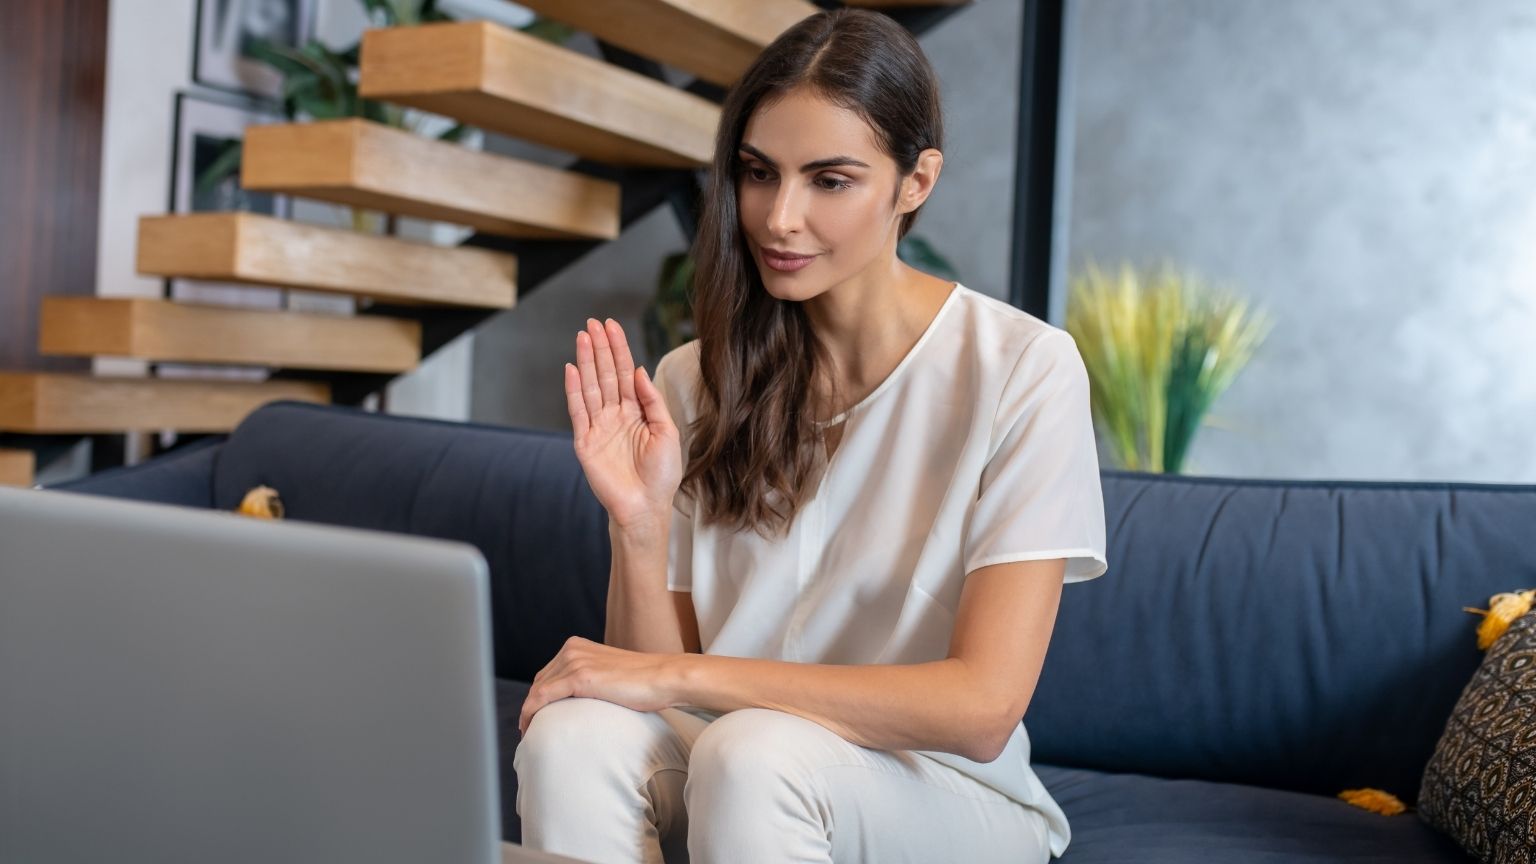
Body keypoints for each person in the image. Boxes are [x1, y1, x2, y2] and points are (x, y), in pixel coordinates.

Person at [513, 9, 1107, 864]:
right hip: (732, 762)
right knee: (573, 739)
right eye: (759, 174)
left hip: (943, 794)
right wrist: (637, 528)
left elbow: (981, 709)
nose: (778, 218)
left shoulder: (1024, 370)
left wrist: (685, 678)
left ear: (916, 181)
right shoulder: (694, 379)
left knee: (753, 754)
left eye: (830, 180)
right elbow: (650, 682)